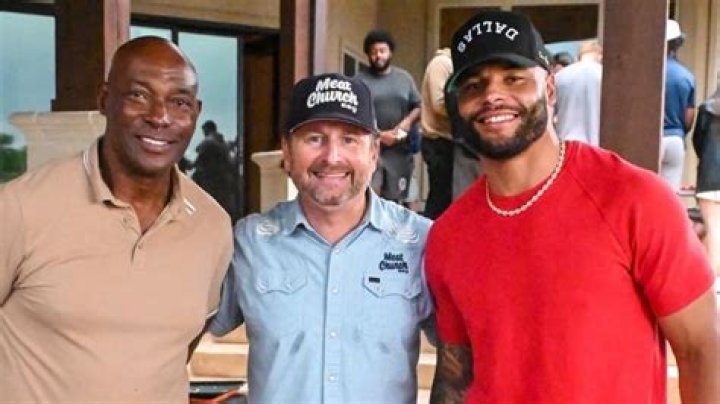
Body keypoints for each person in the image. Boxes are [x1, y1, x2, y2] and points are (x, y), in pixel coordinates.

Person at [425, 10, 719, 403]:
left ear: (549, 89)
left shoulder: (634, 199)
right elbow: (454, 377)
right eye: (473, 85)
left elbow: (701, 348)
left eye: (513, 78)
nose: (492, 96)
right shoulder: (448, 237)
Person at [0, 37, 233, 401]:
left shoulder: (212, 226)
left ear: (196, 112)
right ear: (104, 99)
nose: (160, 116)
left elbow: (177, 348)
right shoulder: (20, 208)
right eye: (138, 95)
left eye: (180, 102)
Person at [209, 73, 434, 403]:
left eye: (349, 140)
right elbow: (178, 333)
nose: (332, 157)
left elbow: (465, 354)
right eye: (314, 139)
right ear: (287, 151)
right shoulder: (250, 243)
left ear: (373, 152)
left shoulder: (419, 242)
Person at [357, 30, 422, 205]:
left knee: (398, 201)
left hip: (399, 152)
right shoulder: (358, 81)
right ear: (368, 54)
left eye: (382, 51)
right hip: (370, 150)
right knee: (370, 199)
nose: (378, 55)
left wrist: (405, 124)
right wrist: (378, 135)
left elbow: (418, 106)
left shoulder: (404, 78)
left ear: (390, 52)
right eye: (373, 52)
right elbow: (354, 115)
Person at [661, 19, 696, 191]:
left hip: (651, 139)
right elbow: (689, 117)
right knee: (670, 194)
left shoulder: (648, 73)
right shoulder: (686, 76)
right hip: (675, 138)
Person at [693, 72, 720, 276]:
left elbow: (698, 142)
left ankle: (712, 277)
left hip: (709, 177)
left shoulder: (707, 108)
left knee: (713, 228)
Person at [554, 40, 603, 146]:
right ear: (600, 56)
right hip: (597, 145)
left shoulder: (560, 76)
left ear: (578, 56)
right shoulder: (605, 77)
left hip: (565, 145)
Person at [192, 119, 237, 220]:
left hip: (211, 182)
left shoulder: (209, 142)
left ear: (207, 130)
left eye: (204, 131)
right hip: (223, 182)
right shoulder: (222, 143)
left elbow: (198, 160)